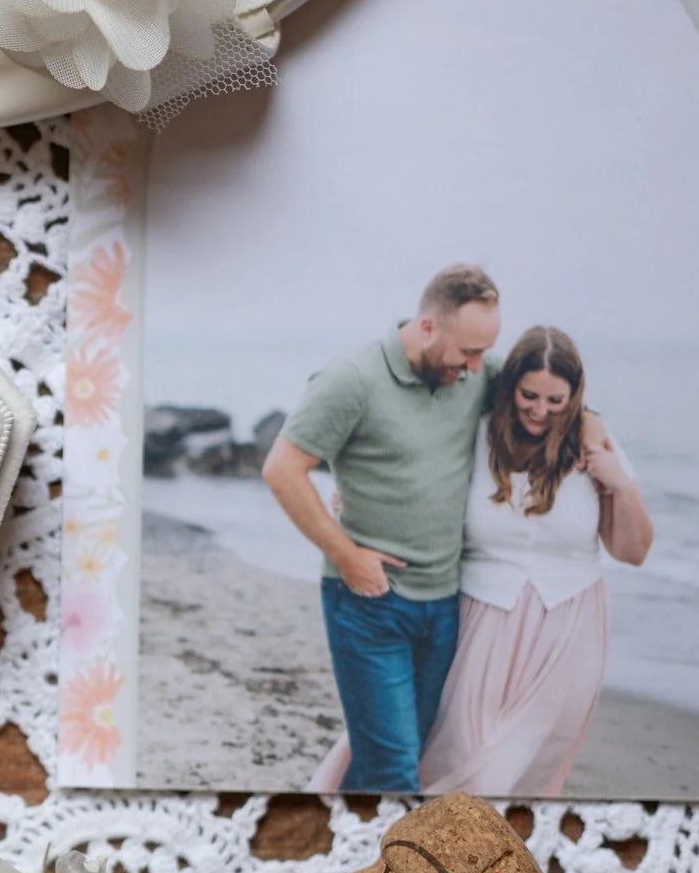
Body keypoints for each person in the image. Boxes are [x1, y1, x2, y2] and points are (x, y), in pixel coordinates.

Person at [308, 325, 656, 796]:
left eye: (557, 402)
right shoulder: (475, 434)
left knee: (524, 772)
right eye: (529, 396)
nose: (540, 411)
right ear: (509, 385)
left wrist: (620, 483)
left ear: (575, 398)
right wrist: (357, 507)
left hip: (568, 630)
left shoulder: (594, 446)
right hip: (476, 622)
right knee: (458, 759)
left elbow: (632, 551)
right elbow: (406, 473)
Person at [263, 264, 503, 792]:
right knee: (392, 770)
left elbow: (542, 394)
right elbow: (282, 470)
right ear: (426, 327)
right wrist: (347, 555)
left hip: (444, 607)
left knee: (407, 760)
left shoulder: (472, 371)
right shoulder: (351, 379)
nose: (478, 367)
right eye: (467, 352)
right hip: (368, 604)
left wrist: (593, 425)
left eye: (484, 352)